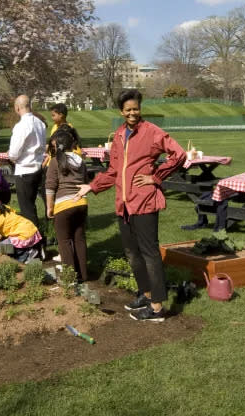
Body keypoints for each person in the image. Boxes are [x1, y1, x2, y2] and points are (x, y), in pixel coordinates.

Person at [76, 89, 185, 322]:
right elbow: (114, 171)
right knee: (132, 254)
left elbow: (179, 154)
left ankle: (157, 308)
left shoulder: (152, 132)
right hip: (124, 205)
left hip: (144, 201)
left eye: (136, 108)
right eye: (128, 110)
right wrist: (91, 187)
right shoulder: (119, 135)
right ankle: (146, 295)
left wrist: (155, 177)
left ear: (140, 108)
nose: (133, 113)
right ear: (121, 112)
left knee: (149, 253)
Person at [45, 127, 89, 282]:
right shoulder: (81, 161)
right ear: (72, 144)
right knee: (79, 239)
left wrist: (49, 207)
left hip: (63, 206)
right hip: (81, 204)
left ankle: (70, 278)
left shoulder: (55, 161)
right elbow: (85, 183)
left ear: (58, 146)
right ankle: (83, 275)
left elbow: (50, 186)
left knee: (64, 241)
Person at [7, 94, 46, 226]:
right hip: (38, 167)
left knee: (27, 209)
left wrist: (11, 156)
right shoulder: (40, 123)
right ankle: (38, 237)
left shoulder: (21, 125)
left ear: (17, 108)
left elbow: (13, 152)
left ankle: (34, 241)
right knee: (32, 205)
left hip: (25, 169)